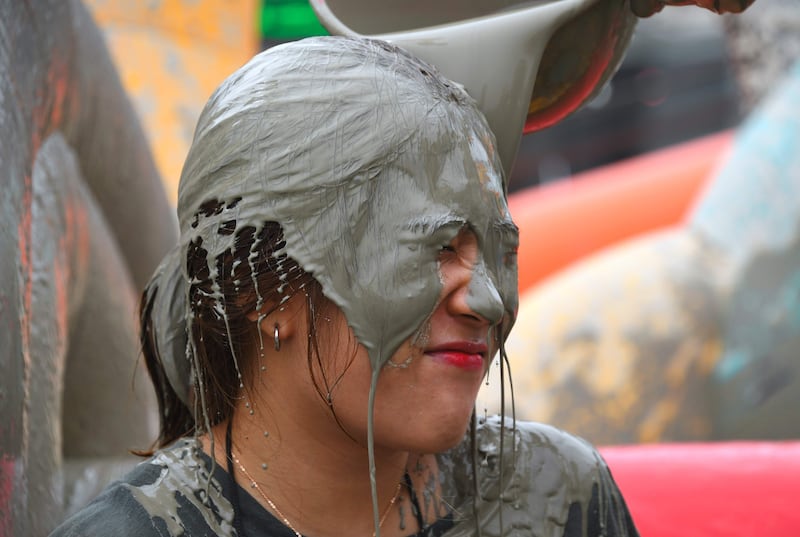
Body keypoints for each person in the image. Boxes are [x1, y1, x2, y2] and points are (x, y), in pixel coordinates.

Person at [49, 36, 638, 537]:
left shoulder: (558, 501)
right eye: (434, 248)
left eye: (499, 252)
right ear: (261, 288)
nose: (486, 299)